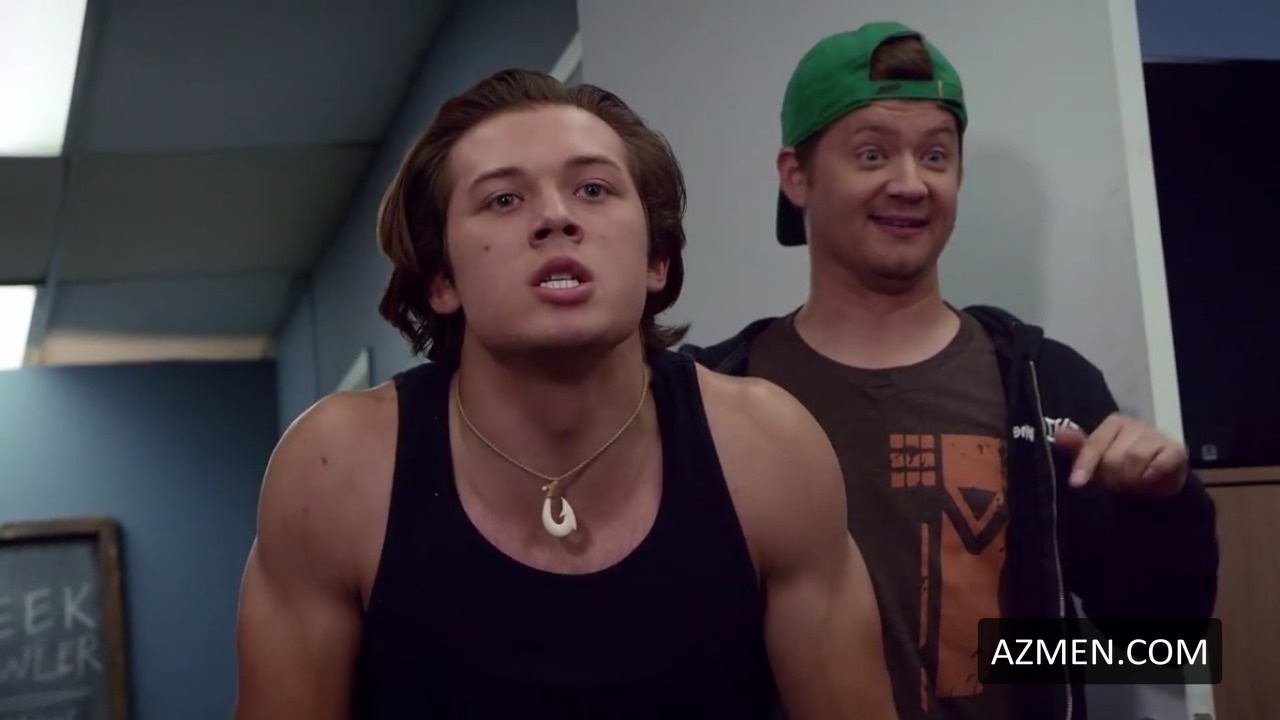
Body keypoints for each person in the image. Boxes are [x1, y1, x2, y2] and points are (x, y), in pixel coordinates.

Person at [231, 68, 898, 719]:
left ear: (656, 259)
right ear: (442, 280)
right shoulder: (337, 472)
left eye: (593, 190)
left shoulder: (768, 450)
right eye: (503, 200)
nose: (555, 217)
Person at [681, 22, 1219, 720]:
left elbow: (1165, 650)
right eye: (872, 154)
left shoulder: (1043, 386)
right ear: (796, 176)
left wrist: (1162, 509)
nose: (911, 184)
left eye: (935, 155)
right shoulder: (713, 397)